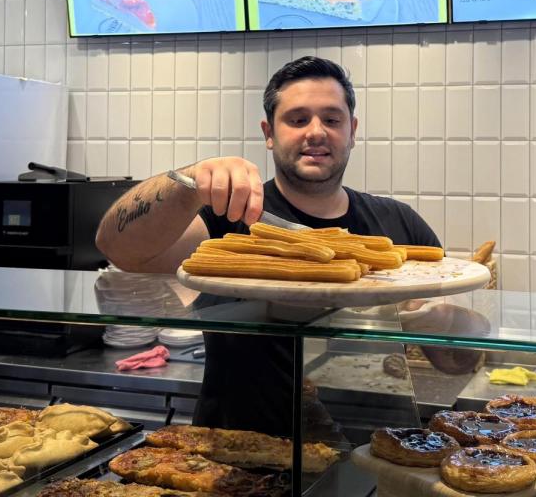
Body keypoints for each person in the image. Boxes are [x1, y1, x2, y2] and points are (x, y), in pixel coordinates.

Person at [96, 56, 440, 436]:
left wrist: (427, 316)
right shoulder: (227, 218)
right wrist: (187, 183)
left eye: (332, 119)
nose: (316, 132)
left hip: (375, 448)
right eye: (297, 119)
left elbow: (456, 360)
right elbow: (119, 249)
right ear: (269, 132)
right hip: (239, 447)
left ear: (352, 130)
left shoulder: (400, 225)